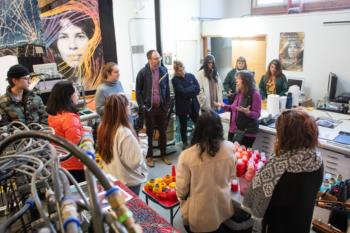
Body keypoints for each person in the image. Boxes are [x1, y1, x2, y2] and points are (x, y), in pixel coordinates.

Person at [243, 109, 323, 233]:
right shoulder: (316, 160)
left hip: (278, 225)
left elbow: (265, 203)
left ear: (286, 136)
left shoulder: (277, 167)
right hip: (302, 221)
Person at [176, 110, 235, 232]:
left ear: (198, 129)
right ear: (219, 128)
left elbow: (181, 190)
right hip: (222, 208)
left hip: (200, 214)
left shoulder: (187, 155)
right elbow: (231, 176)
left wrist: (182, 201)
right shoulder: (230, 148)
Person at [41, 4, 103, 90]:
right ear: (55, 44)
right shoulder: (58, 83)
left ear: (90, 39)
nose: (73, 46)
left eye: (80, 36)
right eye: (64, 37)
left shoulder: (97, 80)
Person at [98, 94, 148, 195]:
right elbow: (135, 162)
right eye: (127, 104)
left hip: (112, 178)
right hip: (128, 183)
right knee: (130, 209)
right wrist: (143, 140)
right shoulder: (124, 133)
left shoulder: (103, 127)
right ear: (122, 109)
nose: (129, 106)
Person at [47, 81, 89, 182]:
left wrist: (81, 129)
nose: (78, 94)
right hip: (74, 165)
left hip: (62, 162)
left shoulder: (54, 114)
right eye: (75, 92)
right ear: (68, 96)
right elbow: (76, 145)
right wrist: (86, 134)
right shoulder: (69, 118)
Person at [135, 49, 171, 167]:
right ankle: (149, 156)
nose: (158, 60)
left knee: (163, 133)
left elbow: (167, 89)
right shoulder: (142, 73)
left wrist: (166, 105)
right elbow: (138, 92)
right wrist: (142, 106)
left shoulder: (163, 71)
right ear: (149, 59)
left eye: (159, 58)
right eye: (155, 58)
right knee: (149, 133)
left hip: (161, 108)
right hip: (149, 109)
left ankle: (164, 154)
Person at [217, 70, 261, 147]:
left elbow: (257, 114)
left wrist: (248, 113)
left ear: (246, 81)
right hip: (234, 130)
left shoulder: (255, 94)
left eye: (238, 78)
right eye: (236, 78)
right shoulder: (239, 93)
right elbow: (234, 108)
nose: (236, 80)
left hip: (247, 133)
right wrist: (224, 106)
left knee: (241, 156)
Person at [171, 61, 200, 149]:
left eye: (183, 69)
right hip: (182, 106)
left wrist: (188, 91)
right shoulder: (175, 79)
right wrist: (192, 88)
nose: (182, 72)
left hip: (193, 105)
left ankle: (198, 140)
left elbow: (198, 89)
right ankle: (184, 142)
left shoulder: (190, 76)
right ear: (176, 71)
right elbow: (182, 92)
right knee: (183, 126)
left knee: (198, 123)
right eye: (180, 71)